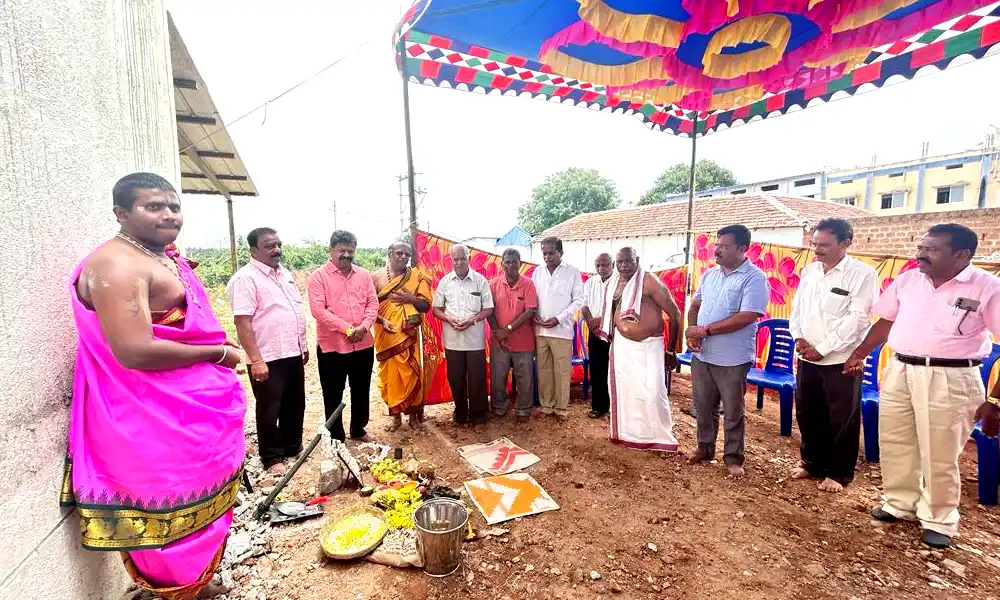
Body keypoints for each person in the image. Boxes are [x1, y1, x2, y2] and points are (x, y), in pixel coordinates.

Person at [63, 173, 244, 599]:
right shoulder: (116, 264)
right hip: (147, 416)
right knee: (164, 512)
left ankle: (193, 584)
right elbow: (134, 350)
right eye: (153, 206)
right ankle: (173, 589)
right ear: (121, 213)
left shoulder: (158, 255)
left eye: (173, 206)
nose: (168, 215)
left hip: (187, 413)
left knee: (199, 510)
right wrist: (216, 355)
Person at [844, 223, 1000, 549]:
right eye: (921, 248)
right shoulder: (908, 280)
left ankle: (939, 518)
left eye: (931, 249)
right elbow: (885, 321)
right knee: (896, 440)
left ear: (961, 254)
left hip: (951, 377)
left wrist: (996, 401)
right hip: (900, 369)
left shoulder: (987, 288)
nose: (921, 254)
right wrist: (858, 353)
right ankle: (899, 503)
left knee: (940, 453)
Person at [788, 219, 877, 493]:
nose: (817, 250)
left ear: (845, 243)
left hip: (840, 359)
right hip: (807, 356)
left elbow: (858, 319)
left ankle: (839, 473)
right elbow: (797, 309)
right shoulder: (810, 271)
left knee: (842, 417)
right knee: (807, 411)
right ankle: (812, 463)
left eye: (824, 245)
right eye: (814, 244)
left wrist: (823, 348)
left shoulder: (862, 274)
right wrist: (799, 338)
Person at [686, 224, 769, 477]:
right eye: (717, 244)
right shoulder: (709, 275)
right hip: (703, 354)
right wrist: (692, 330)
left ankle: (733, 458)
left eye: (724, 246)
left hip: (732, 357)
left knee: (732, 411)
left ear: (743, 249)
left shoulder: (754, 278)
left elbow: (747, 316)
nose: (717, 250)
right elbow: (695, 305)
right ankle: (704, 448)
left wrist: (706, 330)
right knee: (703, 406)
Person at [227, 227, 308, 476]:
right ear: (254, 250)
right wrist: (256, 360)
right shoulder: (245, 279)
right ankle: (272, 457)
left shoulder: (284, 274)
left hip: (291, 351)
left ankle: (292, 447)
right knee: (269, 407)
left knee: (295, 404)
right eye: (270, 246)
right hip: (267, 356)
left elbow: (293, 311)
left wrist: (302, 346)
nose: (277, 250)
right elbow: (243, 322)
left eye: (278, 244)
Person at [597, 247, 682, 451]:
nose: (624, 265)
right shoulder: (614, 282)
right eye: (620, 262)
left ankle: (657, 435)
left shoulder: (649, 281)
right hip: (622, 346)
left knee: (653, 391)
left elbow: (675, 313)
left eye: (628, 261)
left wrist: (671, 351)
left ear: (637, 260)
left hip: (649, 346)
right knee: (625, 391)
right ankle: (629, 434)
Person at [308, 230, 378, 442]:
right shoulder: (318, 277)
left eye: (350, 250)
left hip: (363, 345)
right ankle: (336, 434)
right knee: (332, 392)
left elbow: (373, 304)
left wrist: (364, 327)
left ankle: (358, 429)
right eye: (341, 250)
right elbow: (318, 310)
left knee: (361, 389)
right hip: (333, 348)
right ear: (331, 251)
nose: (346, 254)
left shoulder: (364, 275)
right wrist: (348, 329)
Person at [372, 241, 433, 432]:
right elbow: (368, 307)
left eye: (407, 255)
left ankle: (414, 416)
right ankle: (395, 416)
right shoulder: (375, 277)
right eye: (399, 253)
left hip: (409, 334)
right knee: (390, 375)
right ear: (389, 253)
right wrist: (383, 321)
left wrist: (411, 299)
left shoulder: (416, 276)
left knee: (412, 372)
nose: (403, 258)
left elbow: (425, 306)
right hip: (387, 334)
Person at [432, 245, 494, 426]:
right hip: (452, 341)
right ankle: (460, 412)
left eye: (462, 259)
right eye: (455, 259)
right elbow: (436, 309)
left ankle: (479, 414)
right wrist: (449, 319)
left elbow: (489, 308)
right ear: (450, 261)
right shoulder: (445, 282)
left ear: (469, 259)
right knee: (456, 379)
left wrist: (472, 321)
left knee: (477, 379)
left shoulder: (480, 281)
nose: (458, 263)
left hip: (474, 340)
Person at [531, 236, 585, 421]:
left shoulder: (572, 272)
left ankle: (561, 409)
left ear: (561, 253)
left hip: (561, 331)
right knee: (543, 369)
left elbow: (579, 300)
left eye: (551, 253)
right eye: (544, 253)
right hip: (540, 330)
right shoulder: (537, 272)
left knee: (561, 370)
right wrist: (534, 314)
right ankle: (547, 406)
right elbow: (533, 298)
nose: (547, 257)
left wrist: (559, 318)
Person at [487, 248, 539, 424]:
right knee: (498, 377)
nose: (510, 265)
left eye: (514, 262)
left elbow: (529, 312)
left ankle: (523, 409)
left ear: (520, 264)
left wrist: (507, 330)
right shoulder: (492, 284)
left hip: (523, 341)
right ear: (501, 264)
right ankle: (498, 407)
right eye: (507, 262)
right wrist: (499, 334)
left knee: (524, 378)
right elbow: (489, 311)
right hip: (498, 341)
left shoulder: (529, 284)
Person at [582, 253, 614, 418]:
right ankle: (598, 407)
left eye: (605, 264)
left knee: (613, 370)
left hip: (613, 333)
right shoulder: (590, 282)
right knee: (596, 369)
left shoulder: (619, 281)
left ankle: (614, 410)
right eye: (598, 265)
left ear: (612, 264)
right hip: (594, 332)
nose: (601, 268)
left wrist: (602, 321)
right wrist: (591, 323)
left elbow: (618, 308)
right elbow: (584, 306)